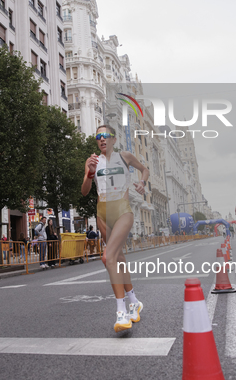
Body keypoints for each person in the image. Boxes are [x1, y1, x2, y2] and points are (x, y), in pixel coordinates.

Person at [81, 125, 149, 332]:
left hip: (122, 209)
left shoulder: (125, 156)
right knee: (118, 259)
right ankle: (134, 301)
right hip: (102, 212)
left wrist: (142, 183)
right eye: (98, 137)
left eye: (105, 136)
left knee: (107, 257)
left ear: (114, 139)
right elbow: (84, 191)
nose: (101, 139)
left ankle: (122, 313)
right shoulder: (92, 161)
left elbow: (145, 170)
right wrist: (90, 173)